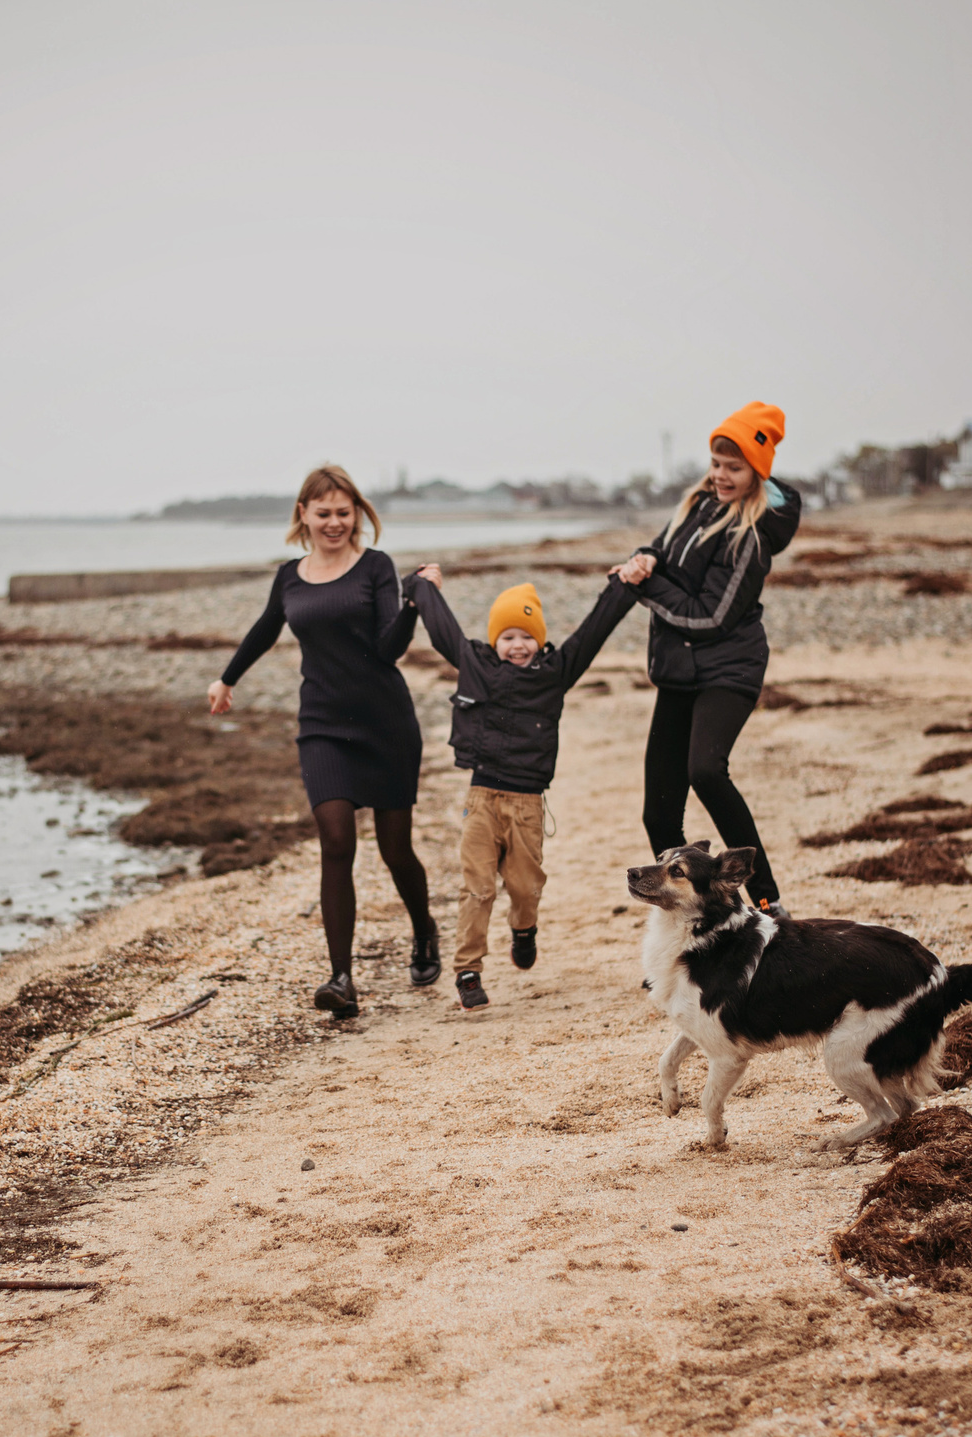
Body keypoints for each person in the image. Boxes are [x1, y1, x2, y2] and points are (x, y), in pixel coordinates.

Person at [210, 465, 441, 1018]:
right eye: (324, 513)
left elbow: (388, 650)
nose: (334, 522)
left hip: (385, 725)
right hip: (322, 727)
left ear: (357, 513)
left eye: (344, 512)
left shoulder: (376, 567)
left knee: (395, 851)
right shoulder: (289, 575)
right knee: (336, 840)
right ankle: (341, 979)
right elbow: (267, 628)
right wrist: (227, 678)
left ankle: (425, 929)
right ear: (303, 516)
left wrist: (411, 604)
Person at [405, 567, 645, 1008]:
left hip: (528, 803)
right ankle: (468, 971)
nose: (517, 645)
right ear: (495, 641)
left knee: (524, 888)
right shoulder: (476, 665)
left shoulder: (555, 672)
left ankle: (523, 929)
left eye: (526, 636)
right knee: (477, 886)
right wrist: (421, 585)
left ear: (540, 640)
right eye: (508, 636)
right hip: (481, 799)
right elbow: (444, 631)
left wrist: (624, 586)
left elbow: (593, 631)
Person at [619, 401, 804, 909]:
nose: (721, 475)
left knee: (705, 770)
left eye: (734, 467)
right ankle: (684, 909)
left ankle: (766, 901)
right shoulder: (696, 506)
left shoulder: (750, 538)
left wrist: (646, 589)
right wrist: (646, 558)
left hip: (729, 666)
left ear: (756, 473)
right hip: (682, 669)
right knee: (658, 813)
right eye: (717, 464)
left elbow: (711, 615)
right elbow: (664, 552)